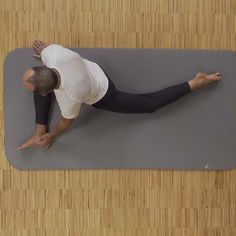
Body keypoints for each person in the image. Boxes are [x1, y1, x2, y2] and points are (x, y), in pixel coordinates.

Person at [16, 40, 222, 151]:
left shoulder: (69, 97)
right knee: (41, 84)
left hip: (103, 92)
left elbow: (65, 123)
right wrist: (45, 52)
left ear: (48, 93)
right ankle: (39, 129)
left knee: (148, 105)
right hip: (91, 70)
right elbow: (47, 56)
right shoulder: (53, 53)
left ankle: (197, 82)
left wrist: (52, 135)